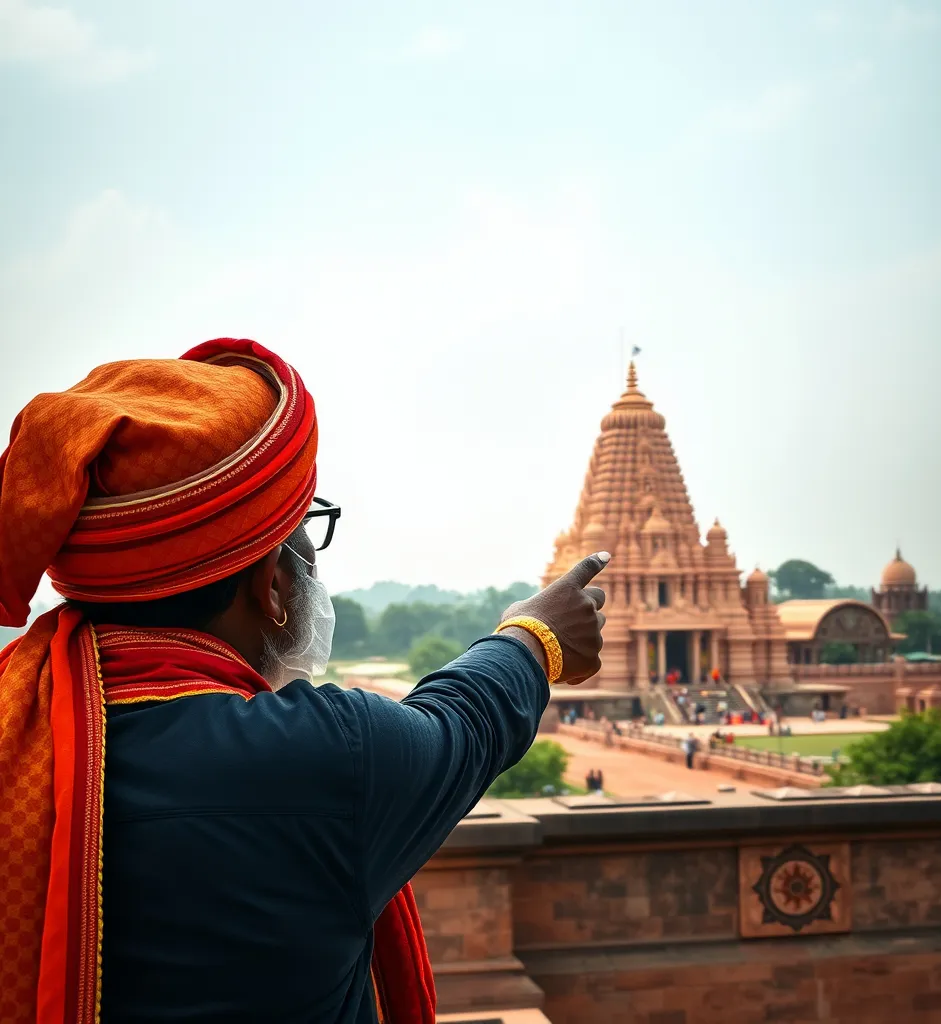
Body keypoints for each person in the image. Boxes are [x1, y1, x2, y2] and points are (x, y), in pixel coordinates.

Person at [0, 339, 608, 1024]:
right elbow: (465, 725)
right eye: (306, 539)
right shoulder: (323, 756)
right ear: (272, 586)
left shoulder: (16, 727)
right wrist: (535, 636)